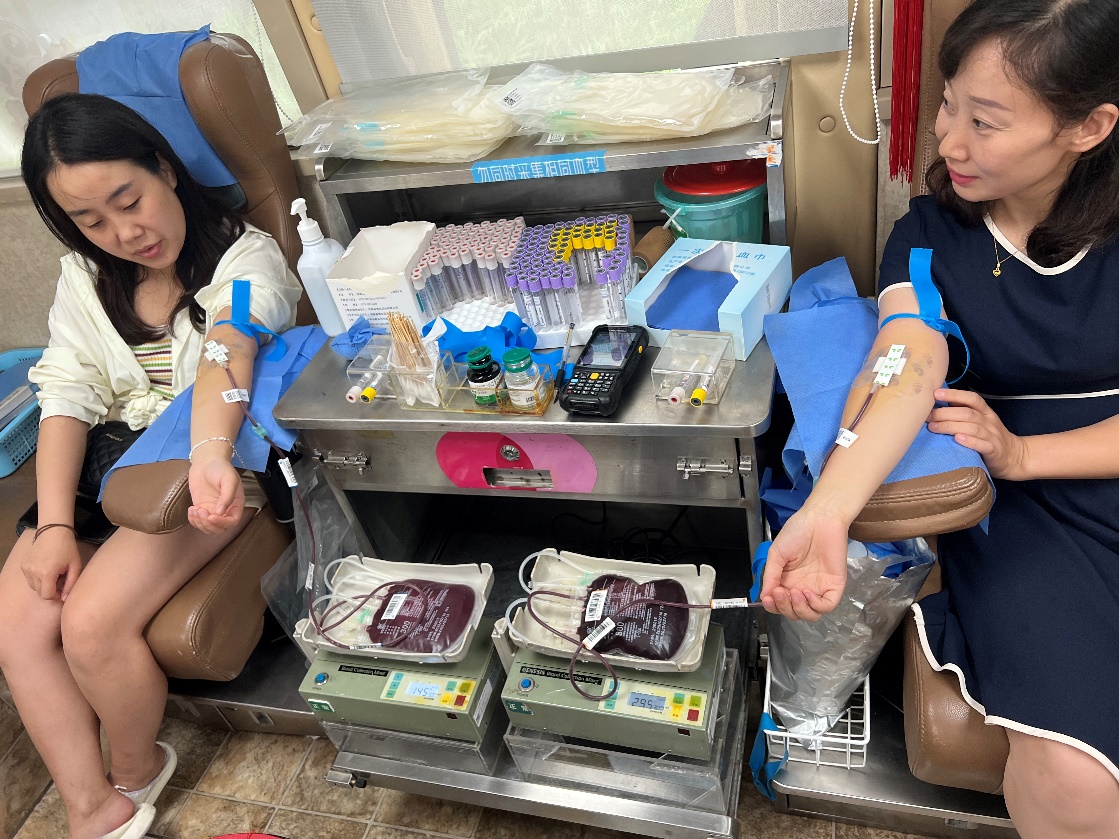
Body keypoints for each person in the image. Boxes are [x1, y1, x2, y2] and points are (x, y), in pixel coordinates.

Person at [760, 1, 1119, 835]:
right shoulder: (928, 235)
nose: (948, 141)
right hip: (1029, 511)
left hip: (1073, 458)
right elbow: (905, 365)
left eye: (983, 121)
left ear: (1087, 127)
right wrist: (827, 510)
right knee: (1074, 771)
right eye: (948, 104)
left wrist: (1029, 450)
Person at [0, 93, 302, 839]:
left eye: (128, 201)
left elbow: (229, 343)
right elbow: (65, 395)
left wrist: (208, 454)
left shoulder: (246, 257)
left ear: (163, 168)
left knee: (90, 625)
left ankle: (135, 772)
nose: (123, 233)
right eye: (90, 220)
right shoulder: (86, 278)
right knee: (18, 620)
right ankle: (92, 809)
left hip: (197, 467)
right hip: (111, 467)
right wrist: (56, 527)